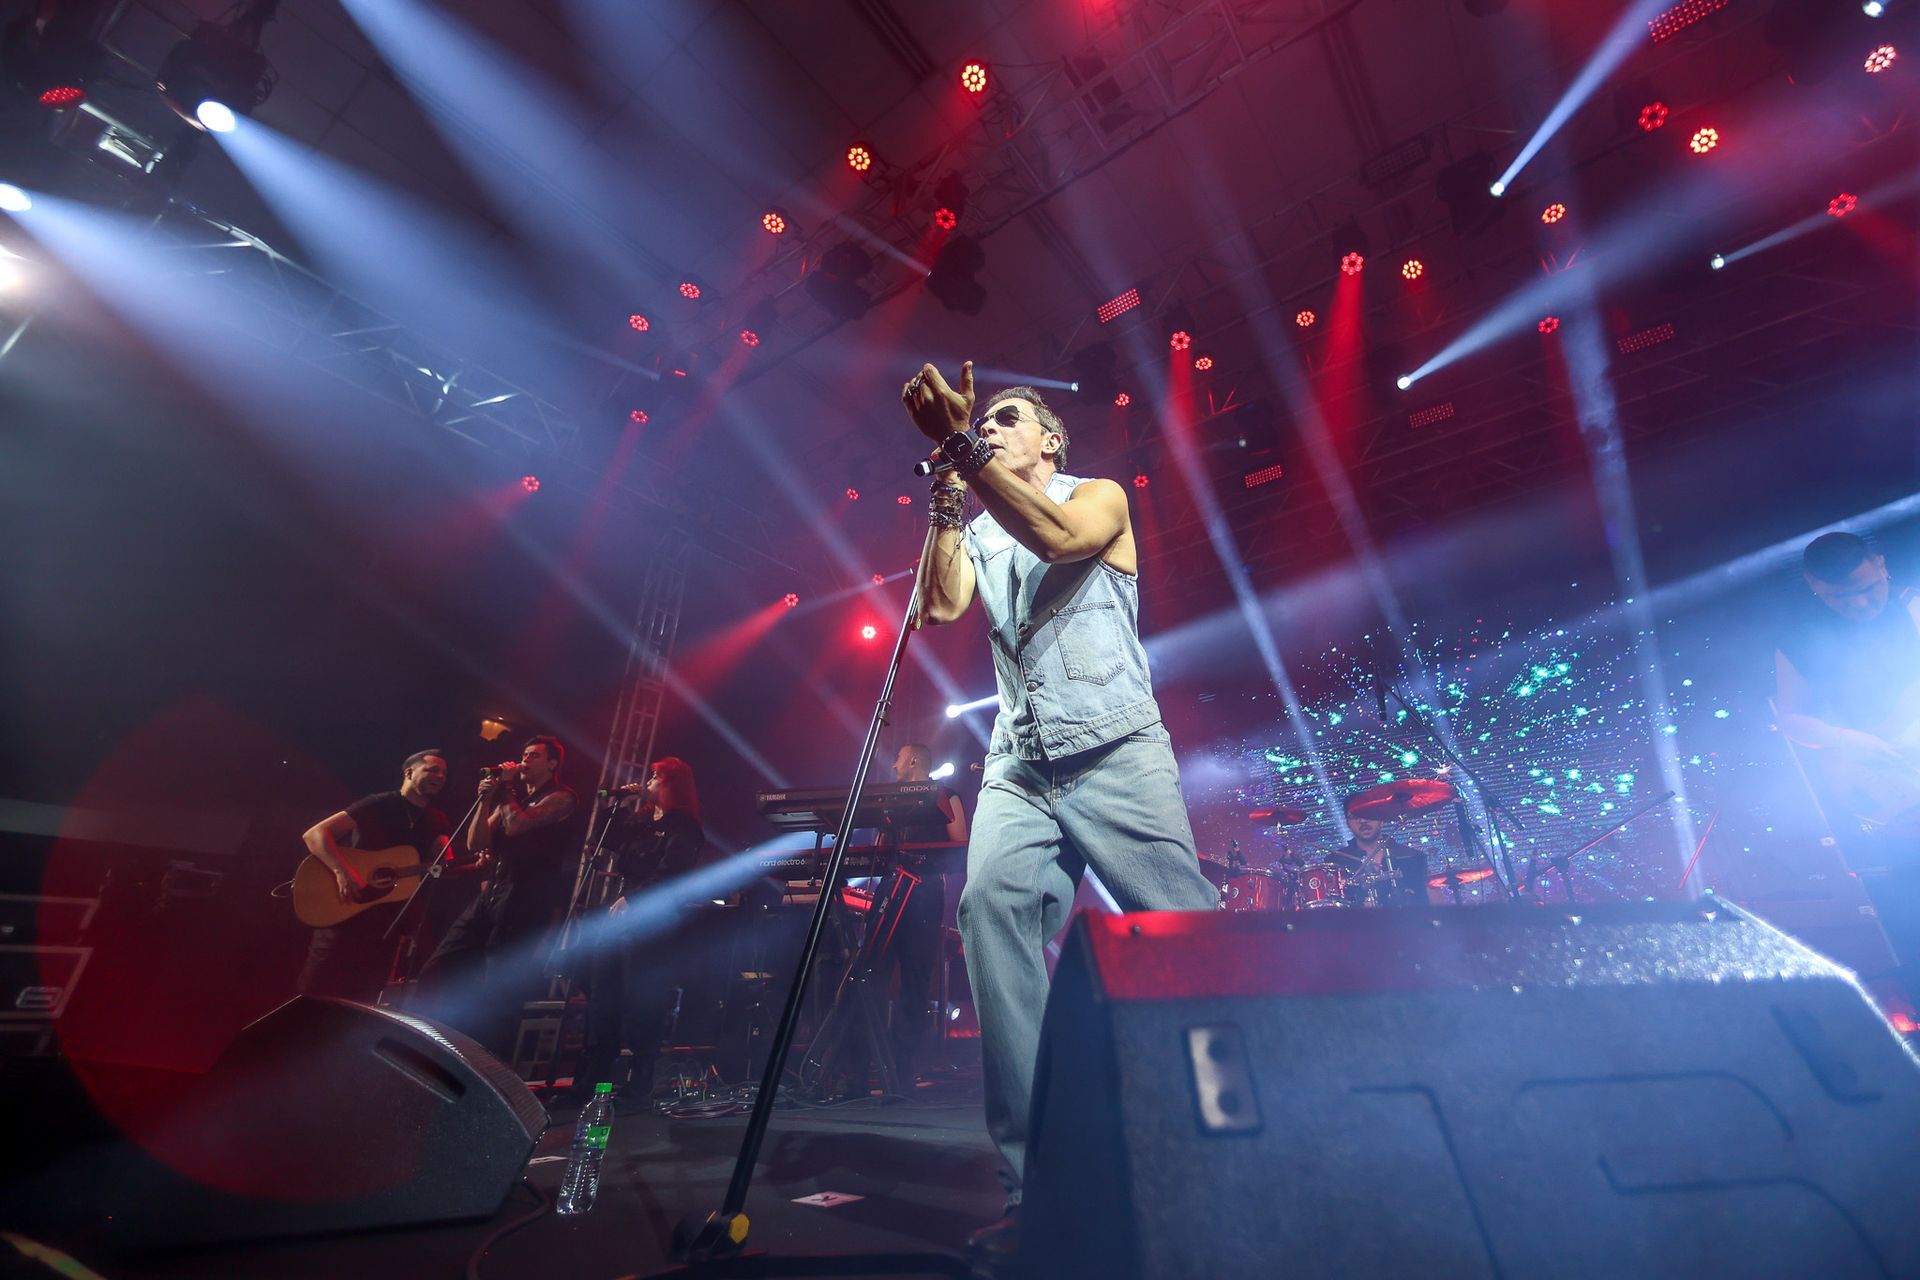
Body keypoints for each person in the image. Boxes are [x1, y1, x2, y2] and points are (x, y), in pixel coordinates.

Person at [902, 362, 1219, 1261]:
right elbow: (937, 606)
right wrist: (947, 498)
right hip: (1019, 764)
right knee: (988, 911)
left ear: (1050, 439)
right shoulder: (981, 522)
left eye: (1006, 419)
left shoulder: (1098, 496)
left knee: (1187, 933)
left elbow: (1055, 534)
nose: (989, 427)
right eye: (983, 422)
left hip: (1116, 747)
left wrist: (958, 444)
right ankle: (1039, 1186)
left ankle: (1240, 1136)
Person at [1775, 531, 1920, 982]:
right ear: (1814, 587)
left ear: (1882, 565)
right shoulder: (1800, 639)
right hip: (1889, 796)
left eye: (1869, 588)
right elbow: (1792, 720)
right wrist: (1850, 740)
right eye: (1840, 598)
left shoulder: (1914, 609)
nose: (1860, 604)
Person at [420, 735, 580, 1058]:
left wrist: (505, 788)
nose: (525, 760)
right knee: (439, 966)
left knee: (499, 986)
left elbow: (518, 825)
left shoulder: (562, 797)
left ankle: (493, 1065)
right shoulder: (513, 798)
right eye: (524, 754)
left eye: (534, 755)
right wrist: (485, 800)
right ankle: (437, 1041)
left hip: (526, 897)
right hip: (493, 891)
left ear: (552, 764)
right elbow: (477, 842)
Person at [576, 757, 708, 1100]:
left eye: (654, 776)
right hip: (619, 913)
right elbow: (607, 840)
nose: (647, 782)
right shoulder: (642, 821)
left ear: (670, 783)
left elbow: (673, 873)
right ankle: (593, 1077)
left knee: (640, 998)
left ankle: (638, 1080)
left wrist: (635, 898)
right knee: (602, 996)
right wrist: (615, 805)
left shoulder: (684, 826)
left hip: (652, 918)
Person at [295, 750, 453, 1001]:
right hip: (345, 910)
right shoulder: (380, 804)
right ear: (409, 772)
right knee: (317, 994)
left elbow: (445, 860)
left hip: (387, 926)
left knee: (364, 1001)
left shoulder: (437, 819)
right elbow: (315, 834)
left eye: (444, 773)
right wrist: (342, 872)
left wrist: (467, 860)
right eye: (433, 770)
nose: (440, 776)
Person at [881, 742, 968, 1079]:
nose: (894, 765)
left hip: (924, 890)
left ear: (914, 761)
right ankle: (863, 1066)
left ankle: (904, 1072)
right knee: (872, 972)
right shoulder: (888, 799)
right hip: (890, 889)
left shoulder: (945, 794)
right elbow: (880, 848)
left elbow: (960, 843)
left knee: (916, 979)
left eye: (898, 759)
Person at [1327, 794, 1428, 908]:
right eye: (1355, 816)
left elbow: (1426, 903)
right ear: (1348, 824)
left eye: (1368, 814)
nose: (1363, 821)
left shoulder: (1412, 857)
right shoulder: (1335, 862)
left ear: (1381, 820)